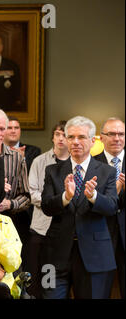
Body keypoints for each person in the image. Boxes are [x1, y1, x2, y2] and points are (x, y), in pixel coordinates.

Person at [41, 116, 118, 299]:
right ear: (66, 140)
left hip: (95, 256)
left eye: (81, 137)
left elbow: (112, 206)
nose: (75, 142)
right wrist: (65, 197)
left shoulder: (107, 171)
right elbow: (46, 206)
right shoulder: (52, 171)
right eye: (71, 137)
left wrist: (93, 196)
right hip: (55, 257)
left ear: (93, 141)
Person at [25, 120, 69, 298]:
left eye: (65, 135)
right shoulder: (39, 161)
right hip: (41, 228)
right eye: (58, 134)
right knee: (39, 277)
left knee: (57, 279)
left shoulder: (75, 163)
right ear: (52, 137)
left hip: (65, 230)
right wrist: (56, 201)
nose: (61, 138)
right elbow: (32, 192)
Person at [0, 108, 30, 254]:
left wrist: (10, 203)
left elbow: (26, 197)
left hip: (8, 225)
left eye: (2, 128)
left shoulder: (17, 159)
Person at [95, 117, 125, 298]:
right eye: (111, 134)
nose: (117, 138)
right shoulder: (91, 163)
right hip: (101, 235)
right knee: (99, 291)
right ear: (101, 137)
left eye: (121, 134)